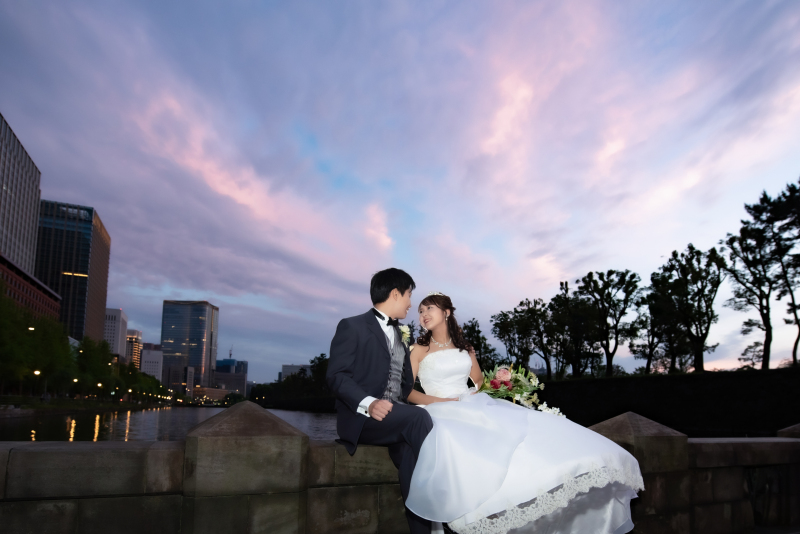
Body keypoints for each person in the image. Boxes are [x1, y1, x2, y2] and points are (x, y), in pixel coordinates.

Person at [405, 292, 644, 534]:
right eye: (421, 311)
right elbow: (408, 392)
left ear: (446, 312)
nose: (424, 315)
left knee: (521, 437)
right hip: (438, 409)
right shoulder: (419, 349)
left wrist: (492, 389)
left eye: (429, 309)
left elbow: (477, 381)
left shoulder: (466, 348)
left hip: (469, 403)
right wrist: (443, 401)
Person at [327, 268, 433, 534]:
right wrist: (368, 403)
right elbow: (336, 376)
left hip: (396, 419)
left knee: (410, 456)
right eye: (409, 295)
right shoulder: (351, 326)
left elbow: (402, 384)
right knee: (420, 419)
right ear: (395, 293)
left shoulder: (399, 334)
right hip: (364, 419)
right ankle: (445, 498)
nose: (411, 303)